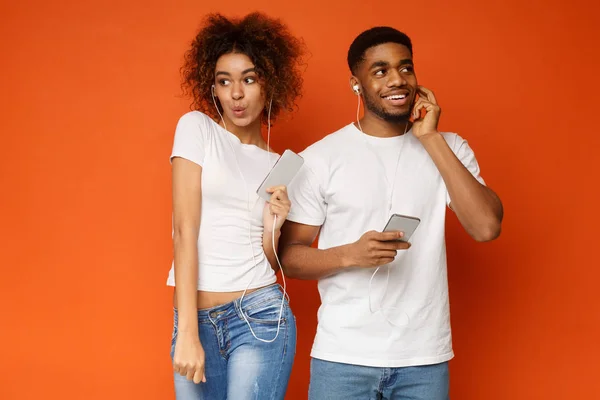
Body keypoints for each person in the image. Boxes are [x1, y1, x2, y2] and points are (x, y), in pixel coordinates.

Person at [279, 26, 503, 400]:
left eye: (406, 68)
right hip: (342, 358)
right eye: (380, 70)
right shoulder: (321, 158)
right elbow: (288, 257)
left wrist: (431, 138)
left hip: (424, 359)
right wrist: (350, 254)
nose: (397, 79)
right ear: (356, 83)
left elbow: (485, 227)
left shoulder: (449, 147)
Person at [167, 12, 305, 400]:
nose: (236, 94)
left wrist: (271, 229)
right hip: (195, 316)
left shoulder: (279, 164)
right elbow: (184, 229)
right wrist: (189, 333)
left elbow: (271, 259)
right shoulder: (197, 128)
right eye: (224, 82)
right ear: (212, 88)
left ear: (269, 83)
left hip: (260, 315)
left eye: (248, 79)